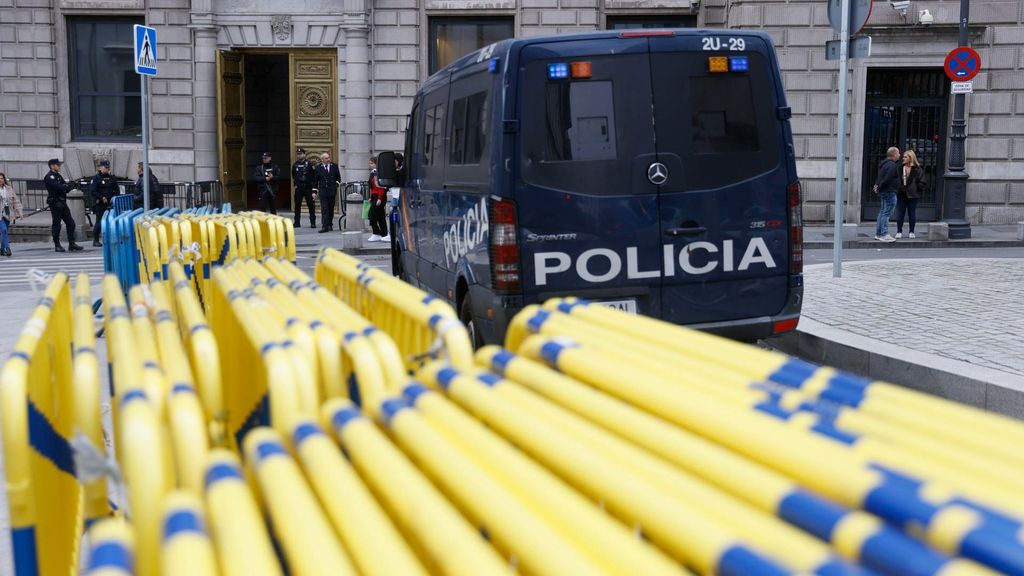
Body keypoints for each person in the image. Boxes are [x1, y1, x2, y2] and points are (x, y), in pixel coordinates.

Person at [44, 158, 84, 252]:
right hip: (55, 203)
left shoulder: (58, 176)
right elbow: (61, 188)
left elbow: (66, 187)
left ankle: (71, 243)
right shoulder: (49, 177)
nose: (59, 166)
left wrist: (67, 186)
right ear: (52, 166)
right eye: (58, 165)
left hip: (62, 203)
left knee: (71, 223)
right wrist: (65, 187)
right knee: (57, 224)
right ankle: (57, 245)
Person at [872, 146, 900, 243]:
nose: (899, 155)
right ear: (894, 154)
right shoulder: (892, 165)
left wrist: (877, 186)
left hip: (884, 191)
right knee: (886, 213)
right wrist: (879, 187)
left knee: (883, 212)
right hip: (889, 191)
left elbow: (880, 177)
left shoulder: (884, 164)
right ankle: (884, 234)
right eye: (898, 153)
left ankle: (879, 233)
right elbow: (887, 179)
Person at [895, 149, 924, 240]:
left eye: (905, 157)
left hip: (913, 194)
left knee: (912, 213)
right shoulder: (900, 168)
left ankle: (911, 231)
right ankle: (899, 231)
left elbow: (923, 182)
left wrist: (916, 187)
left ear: (911, 158)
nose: (903, 158)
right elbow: (895, 180)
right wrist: (899, 187)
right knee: (900, 213)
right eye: (903, 156)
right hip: (901, 193)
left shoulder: (918, 169)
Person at [88, 160, 117, 247]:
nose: (107, 169)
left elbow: (117, 189)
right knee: (100, 221)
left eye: (108, 168)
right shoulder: (96, 178)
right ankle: (96, 240)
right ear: (100, 168)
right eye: (105, 167)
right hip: (100, 203)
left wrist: (113, 197)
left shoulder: (112, 178)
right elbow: (93, 191)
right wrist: (102, 197)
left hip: (110, 203)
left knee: (110, 221)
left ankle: (109, 238)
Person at [315, 151, 341, 233]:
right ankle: (324, 226)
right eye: (326, 158)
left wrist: (336, 185)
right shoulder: (318, 168)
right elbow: (315, 181)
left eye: (328, 158)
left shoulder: (334, 166)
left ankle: (330, 224)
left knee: (330, 208)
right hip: (323, 191)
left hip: (332, 191)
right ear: (322, 159)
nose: (328, 159)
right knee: (324, 209)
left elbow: (338, 177)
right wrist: (314, 191)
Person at [0, 172, 24, 257]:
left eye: (2, 178)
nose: (0, 180)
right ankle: (7, 248)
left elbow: (16, 201)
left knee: (4, 231)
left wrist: (20, 212)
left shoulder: (9, 188)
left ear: (4, 179)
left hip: (8, 212)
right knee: (3, 230)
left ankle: (2, 249)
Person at [291, 147, 315, 228]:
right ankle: (297, 222)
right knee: (297, 206)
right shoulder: (295, 164)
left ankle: (313, 222)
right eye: (298, 154)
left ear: (304, 155)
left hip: (308, 187)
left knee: (311, 205)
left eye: (300, 154)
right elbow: (294, 175)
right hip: (299, 188)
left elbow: (313, 175)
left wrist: (313, 188)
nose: (299, 155)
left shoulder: (309, 164)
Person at [367, 156, 388, 242]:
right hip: (374, 196)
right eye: (370, 163)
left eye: (372, 163)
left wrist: (379, 198)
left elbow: (380, 186)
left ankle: (377, 233)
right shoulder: (373, 172)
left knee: (372, 215)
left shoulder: (378, 173)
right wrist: (370, 197)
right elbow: (372, 187)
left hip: (379, 197)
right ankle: (383, 233)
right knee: (380, 216)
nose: (370, 165)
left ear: (376, 163)